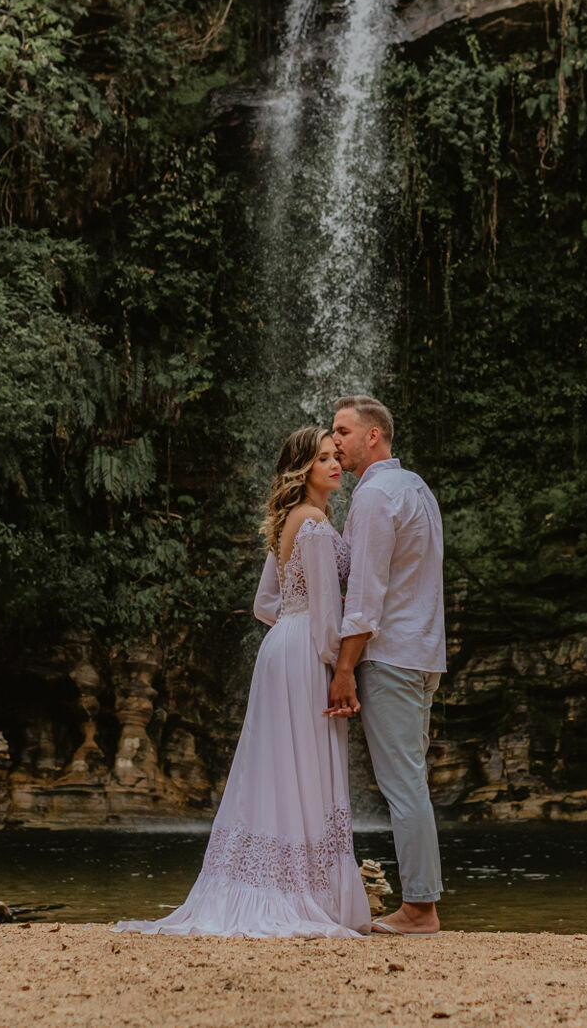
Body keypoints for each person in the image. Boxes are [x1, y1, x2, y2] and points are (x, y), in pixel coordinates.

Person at [114, 426, 371, 939]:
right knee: (306, 764)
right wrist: (337, 667)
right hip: (305, 652)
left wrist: (290, 635)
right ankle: (309, 891)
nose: (334, 464)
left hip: (277, 651)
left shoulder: (287, 522)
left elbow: (263, 605)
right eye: (323, 459)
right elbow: (325, 617)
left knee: (278, 764)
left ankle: (268, 880)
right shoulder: (316, 524)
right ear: (303, 470)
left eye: (333, 456)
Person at [327, 395, 447, 936]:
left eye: (343, 432)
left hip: (391, 655)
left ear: (373, 435)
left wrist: (345, 668)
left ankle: (420, 908)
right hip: (422, 653)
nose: (335, 443)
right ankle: (420, 901)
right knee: (411, 780)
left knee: (403, 785)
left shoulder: (374, 496)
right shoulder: (417, 488)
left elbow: (366, 595)